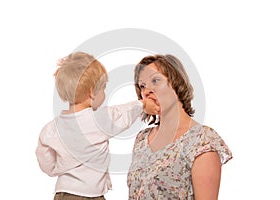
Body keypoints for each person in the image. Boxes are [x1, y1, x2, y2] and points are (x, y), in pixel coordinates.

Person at [35, 52, 159, 200]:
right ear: (92, 92)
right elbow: (122, 114)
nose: (104, 93)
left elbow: (45, 161)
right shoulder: (98, 120)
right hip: (91, 195)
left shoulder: (51, 129)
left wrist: (57, 168)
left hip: (63, 193)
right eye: (103, 88)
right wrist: (143, 105)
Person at [127, 54, 232, 199]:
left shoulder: (202, 140)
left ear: (177, 83)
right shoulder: (142, 139)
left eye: (155, 80)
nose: (146, 91)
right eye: (142, 86)